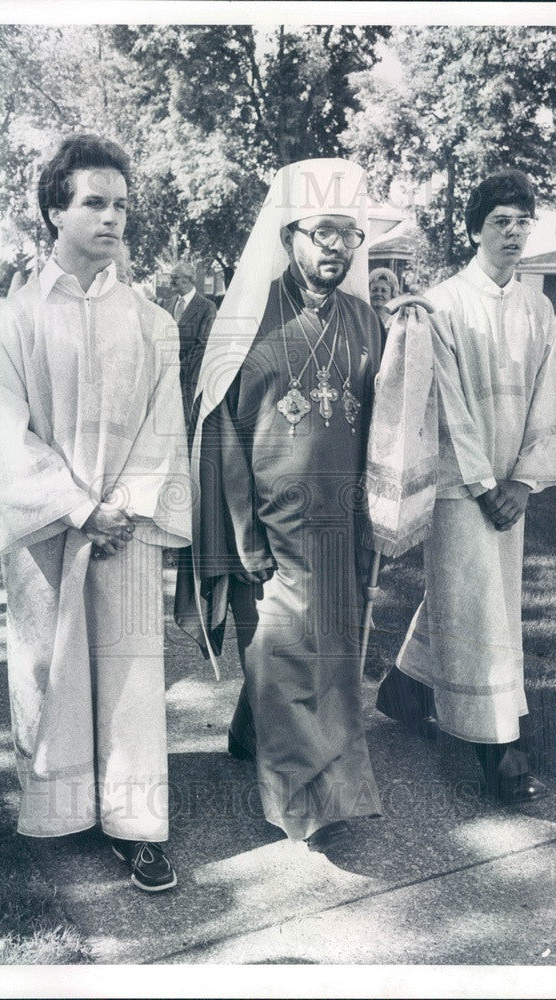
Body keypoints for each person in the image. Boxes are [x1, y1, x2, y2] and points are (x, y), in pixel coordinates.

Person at [0, 134, 191, 892]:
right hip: (52, 530)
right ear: (54, 212)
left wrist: (124, 508)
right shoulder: (13, 323)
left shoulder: (151, 321)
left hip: (124, 530)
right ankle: (63, 811)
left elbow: (163, 426)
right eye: (94, 203)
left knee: (130, 678)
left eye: (121, 205)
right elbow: (7, 437)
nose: (112, 218)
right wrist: (77, 508)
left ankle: (137, 828)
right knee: (55, 669)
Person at [176, 159, 385, 851]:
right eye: (322, 232)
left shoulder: (365, 321)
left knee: (325, 663)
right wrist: (244, 536)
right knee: (289, 662)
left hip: (340, 525)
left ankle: (248, 735)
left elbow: (390, 417)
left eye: (347, 236)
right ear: (290, 233)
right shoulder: (244, 320)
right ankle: (308, 807)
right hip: (268, 528)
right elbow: (221, 433)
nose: (334, 248)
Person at [376, 169, 556, 804]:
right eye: (499, 223)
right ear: (474, 230)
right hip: (462, 487)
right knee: (481, 611)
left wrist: (522, 481)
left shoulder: (538, 308)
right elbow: (449, 403)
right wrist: (486, 483)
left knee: (481, 600)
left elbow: (546, 400)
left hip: (510, 484)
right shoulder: (445, 304)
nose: (512, 233)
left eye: (522, 221)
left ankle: (404, 690)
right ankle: (494, 750)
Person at [160, 262, 217, 424]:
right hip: (165, 375)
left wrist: (178, 366)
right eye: (171, 277)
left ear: (189, 280)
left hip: (190, 377)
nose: (171, 282)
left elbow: (203, 344)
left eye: (175, 278)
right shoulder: (166, 304)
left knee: (185, 423)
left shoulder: (207, 307)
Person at [367, 266, 400, 347]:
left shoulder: (396, 322)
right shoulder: (362, 319)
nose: (379, 294)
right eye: (374, 290)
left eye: (384, 291)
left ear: (392, 294)